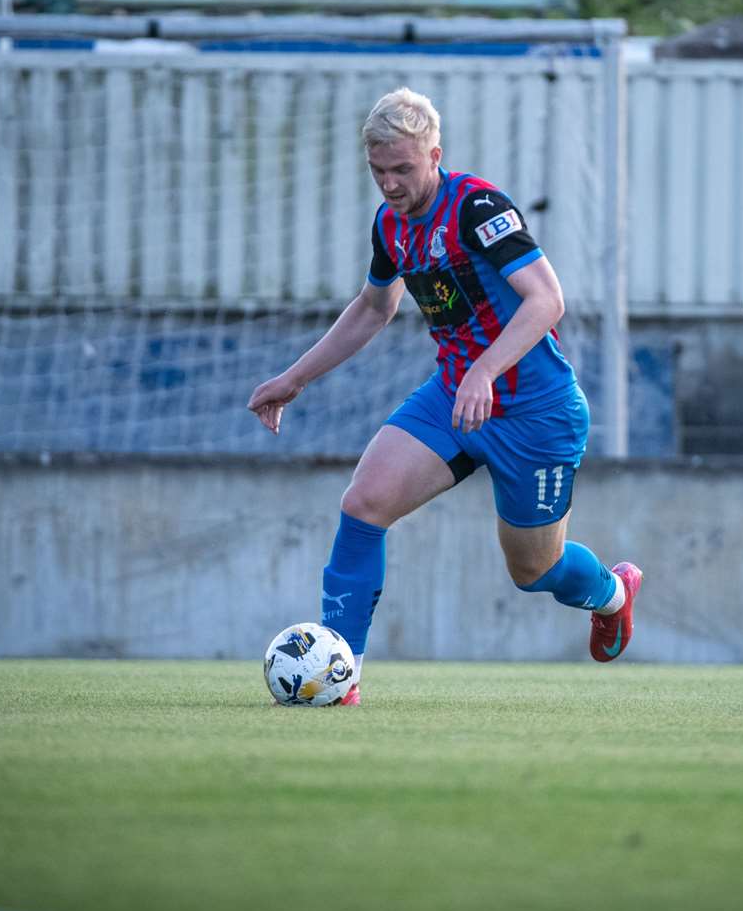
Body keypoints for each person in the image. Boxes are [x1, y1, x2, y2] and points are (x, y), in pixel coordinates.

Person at [247, 88, 641, 704]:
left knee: (533, 569)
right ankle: (340, 672)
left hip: (536, 412)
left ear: (435, 154)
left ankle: (613, 593)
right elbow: (375, 307)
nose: (391, 184)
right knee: (364, 503)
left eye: (403, 169)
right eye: (378, 171)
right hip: (454, 398)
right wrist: (294, 377)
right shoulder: (390, 225)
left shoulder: (478, 206)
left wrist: (485, 371)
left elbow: (546, 300)